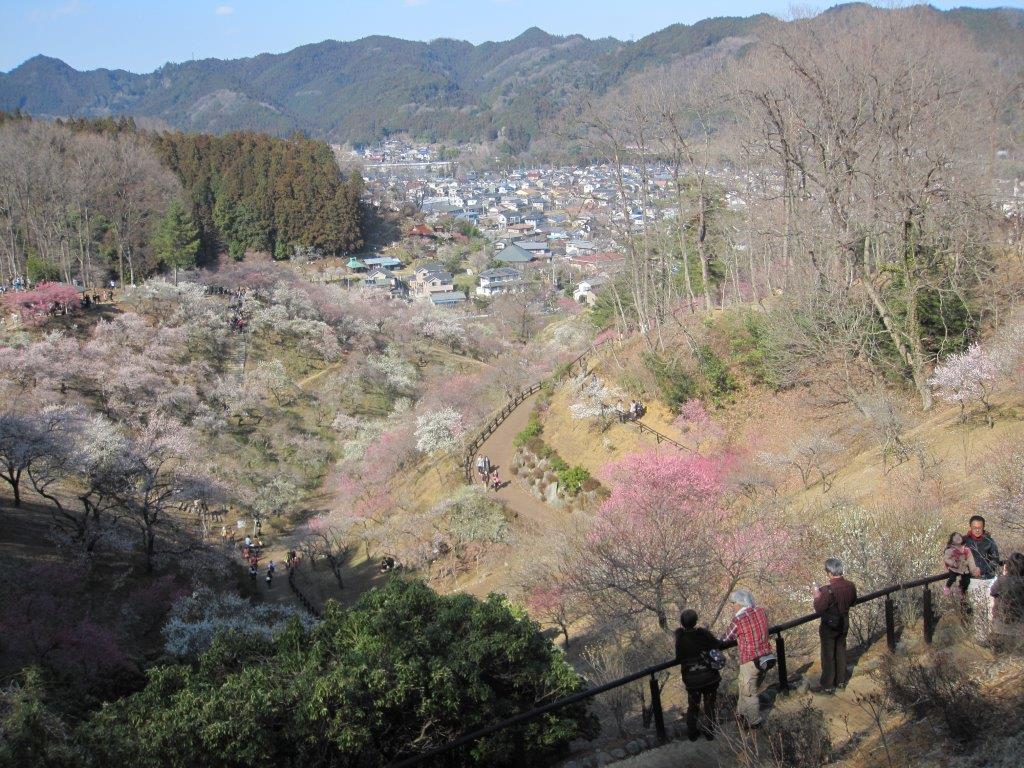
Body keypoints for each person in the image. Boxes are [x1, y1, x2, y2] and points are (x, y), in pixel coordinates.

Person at [722, 589, 772, 729]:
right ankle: (741, 715)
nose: (732, 606)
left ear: (739, 604)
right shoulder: (760, 611)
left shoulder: (738, 620)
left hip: (750, 660)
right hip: (765, 658)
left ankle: (754, 723)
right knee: (745, 687)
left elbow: (725, 639)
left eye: (733, 603)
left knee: (749, 693)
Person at [676, 609, 724, 741]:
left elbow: (678, 658)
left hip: (692, 680)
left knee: (693, 706)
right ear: (696, 621)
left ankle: (692, 732)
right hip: (709, 677)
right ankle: (709, 731)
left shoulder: (680, 638)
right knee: (709, 705)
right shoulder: (703, 634)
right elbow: (717, 645)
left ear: (682, 623)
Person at [812, 558, 857, 694]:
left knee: (828, 654)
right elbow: (853, 601)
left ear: (830, 573)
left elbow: (819, 608)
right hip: (844, 620)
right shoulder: (850, 585)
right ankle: (841, 681)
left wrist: (816, 595)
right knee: (841, 649)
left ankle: (827, 685)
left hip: (830, 625)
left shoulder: (827, 590)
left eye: (827, 571)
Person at [964, 515, 1001, 636]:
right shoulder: (965, 541)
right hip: (973, 580)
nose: (977, 530)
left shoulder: (989, 541)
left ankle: (992, 636)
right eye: (975, 527)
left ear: (983, 527)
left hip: (989, 579)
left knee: (991, 610)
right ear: (970, 527)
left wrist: (983, 569)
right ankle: (981, 639)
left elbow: (995, 560)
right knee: (978, 610)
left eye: (979, 527)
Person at [990, 552, 1024, 641]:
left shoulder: (1002, 580)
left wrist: (1005, 574)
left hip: (1001, 625)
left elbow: (992, 592)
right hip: (1020, 627)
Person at [942, 532, 980, 598]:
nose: (958, 538)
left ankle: (961, 589)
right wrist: (952, 563)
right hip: (954, 567)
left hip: (964, 568)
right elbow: (946, 559)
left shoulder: (966, 549)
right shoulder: (950, 550)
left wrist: (973, 569)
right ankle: (947, 587)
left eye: (959, 536)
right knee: (952, 578)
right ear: (952, 541)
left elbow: (971, 560)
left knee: (967, 580)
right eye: (955, 537)